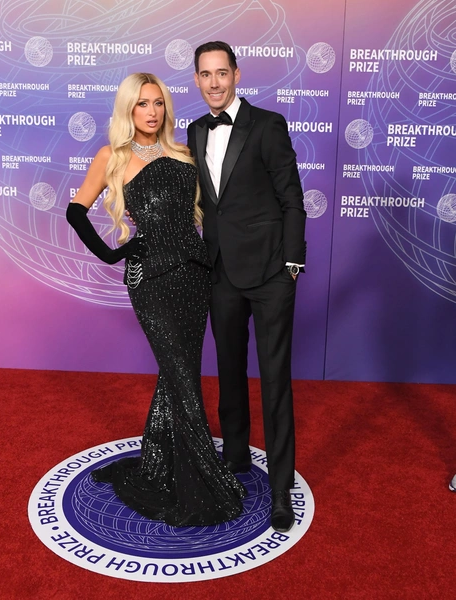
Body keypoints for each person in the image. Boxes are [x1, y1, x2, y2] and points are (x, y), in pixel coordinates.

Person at [66, 72, 246, 527]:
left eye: (158, 103)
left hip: (194, 275)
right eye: (142, 103)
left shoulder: (184, 152)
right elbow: (75, 210)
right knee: (183, 377)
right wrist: (115, 253)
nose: (151, 111)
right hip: (150, 280)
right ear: (128, 109)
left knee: (176, 374)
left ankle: (159, 463)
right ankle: (204, 476)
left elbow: (215, 208)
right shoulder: (112, 156)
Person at [187, 41, 307, 533]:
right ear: (197, 80)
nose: (214, 82)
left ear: (236, 74)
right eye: (205, 74)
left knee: (275, 383)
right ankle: (235, 459)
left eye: (222, 72)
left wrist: (292, 263)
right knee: (229, 374)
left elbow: (292, 197)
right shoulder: (195, 130)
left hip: (272, 273)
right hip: (221, 273)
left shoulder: (268, 124)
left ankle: (280, 490)